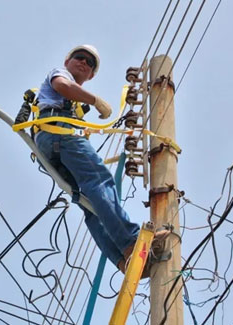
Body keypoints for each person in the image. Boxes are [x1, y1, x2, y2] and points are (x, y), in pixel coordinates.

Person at [34, 45, 165, 276]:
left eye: (90, 63)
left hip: (50, 143)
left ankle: (123, 260)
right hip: (59, 132)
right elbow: (62, 86)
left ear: (91, 75)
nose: (84, 63)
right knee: (99, 181)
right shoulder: (59, 74)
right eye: (79, 58)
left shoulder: (72, 106)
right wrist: (96, 101)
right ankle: (132, 242)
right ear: (67, 61)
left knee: (90, 206)